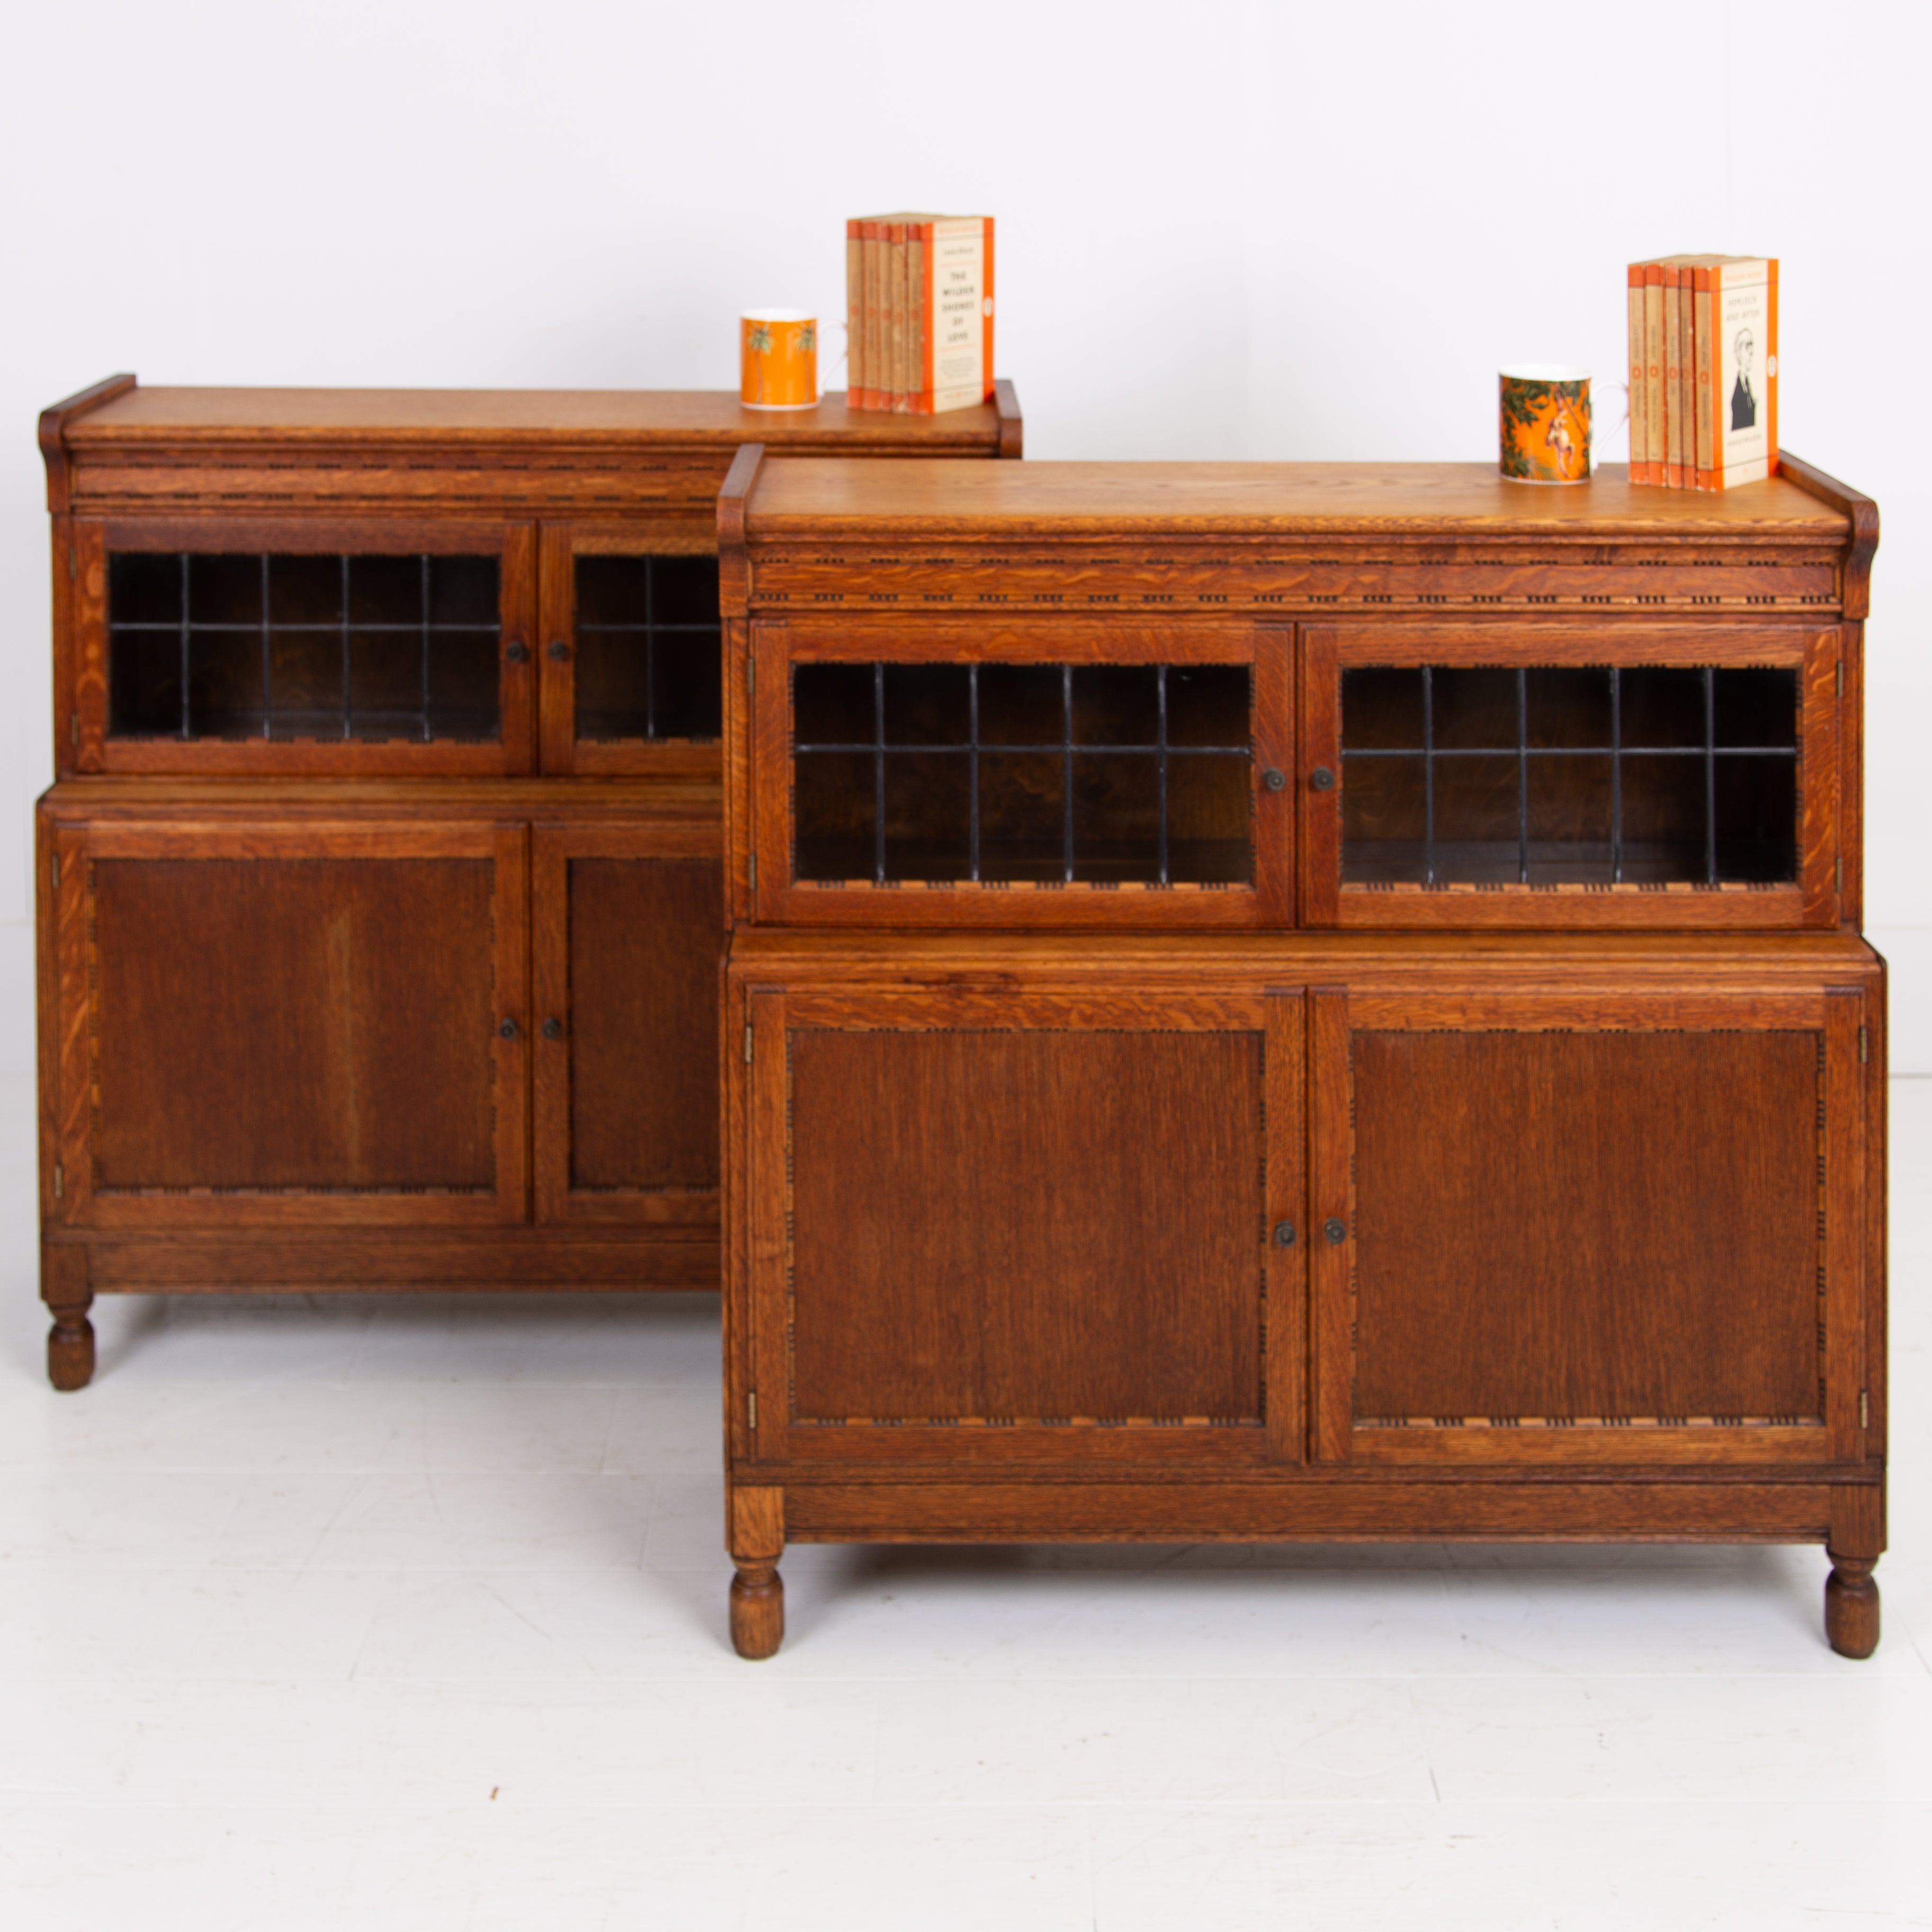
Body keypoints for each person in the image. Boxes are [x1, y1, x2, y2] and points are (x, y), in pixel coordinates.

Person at [1731, 327, 1757, 431]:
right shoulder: (1737, 388)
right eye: (1747, 346)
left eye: (1752, 345)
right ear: (1738, 352)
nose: (1752, 351)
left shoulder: (1748, 384)